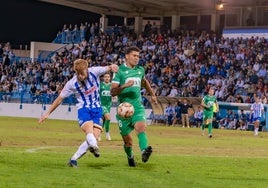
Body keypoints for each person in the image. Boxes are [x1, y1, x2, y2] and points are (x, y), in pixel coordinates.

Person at [38, 58, 118, 168]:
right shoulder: (71, 84)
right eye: (78, 73)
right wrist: (47, 113)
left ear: (87, 69)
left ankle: (73, 159)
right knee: (89, 132)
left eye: (82, 73)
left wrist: (113, 67)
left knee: (95, 136)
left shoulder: (95, 71)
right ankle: (94, 146)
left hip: (97, 110)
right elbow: (59, 99)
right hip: (84, 109)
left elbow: (109, 67)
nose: (80, 76)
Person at [111, 46, 157, 167]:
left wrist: (152, 94)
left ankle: (144, 151)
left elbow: (144, 81)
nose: (137, 58)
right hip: (123, 110)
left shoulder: (140, 70)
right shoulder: (119, 71)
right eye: (134, 56)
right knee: (128, 142)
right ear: (127, 56)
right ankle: (130, 157)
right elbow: (113, 92)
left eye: (138, 56)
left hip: (137, 107)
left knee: (141, 128)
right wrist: (125, 86)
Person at [99, 72, 112, 141]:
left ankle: (99, 134)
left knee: (104, 120)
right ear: (103, 78)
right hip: (102, 104)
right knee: (108, 118)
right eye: (105, 77)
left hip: (108, 105)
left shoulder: (112, 86)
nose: (107, 78)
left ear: (110, 78)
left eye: (108, 77)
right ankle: (107, 133)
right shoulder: (100, 85)